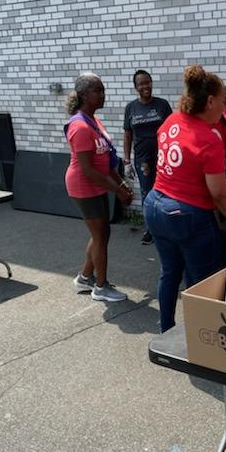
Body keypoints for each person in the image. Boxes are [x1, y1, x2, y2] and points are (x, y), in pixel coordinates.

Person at [144, 65, 226, 332]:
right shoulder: (208, 137)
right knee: (202, 282)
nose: (225, 109)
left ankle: (165, 329)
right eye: (223, 102)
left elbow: (182, 167)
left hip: (155, 204)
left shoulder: (171, 121)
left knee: (169, 273)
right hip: (187, 215)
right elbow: (218, 194)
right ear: (210, 101)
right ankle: (201, 338)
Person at [64, 72, 134, 303]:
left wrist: (121, 182)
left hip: (96, 183)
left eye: (103, 89)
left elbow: (105, 158)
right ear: (84, 95)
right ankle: (101, 288)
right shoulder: (80, 126)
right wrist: (117, 190)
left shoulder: (93, 120)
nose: (103, 94)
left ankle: (85, 278)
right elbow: (88, 170)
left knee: (101, 233)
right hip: (85, 185)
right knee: (101, 235)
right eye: (98, 90)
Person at [123, 70, 172, 244]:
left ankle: (165, 226)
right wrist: (127, 161)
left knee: (165, 191)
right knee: (147, 193)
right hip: (142, 159)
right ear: (136, 87)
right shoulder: (131, 108)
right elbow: (128, 134)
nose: (145, 86)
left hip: (163, 157)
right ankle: (150, 229)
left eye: (147, 82)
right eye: (141, 84)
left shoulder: (162, 105)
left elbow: (172, 130)